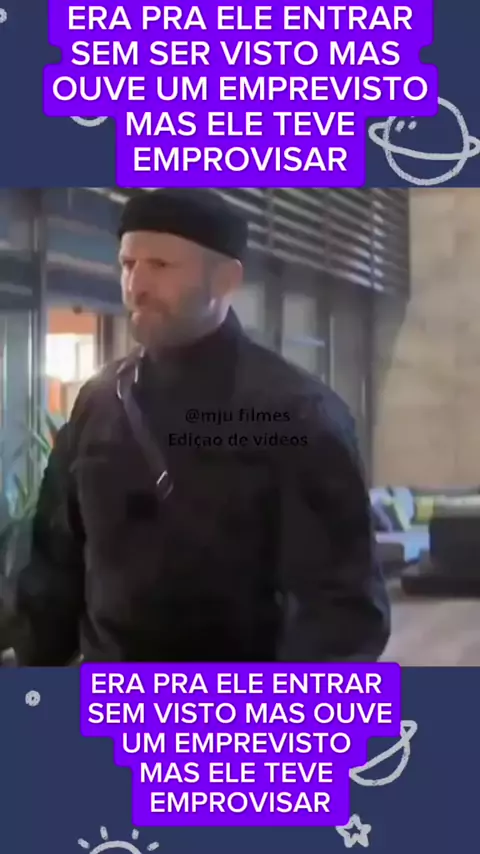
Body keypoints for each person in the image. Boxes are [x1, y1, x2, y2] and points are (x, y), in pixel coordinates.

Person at [14, 188, 390, 664]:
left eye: (160, 265)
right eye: (128, 264)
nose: (136, 285)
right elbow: (54, 566)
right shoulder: (101, 401)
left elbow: (341, 610)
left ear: (226, 279)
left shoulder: (296, 413)